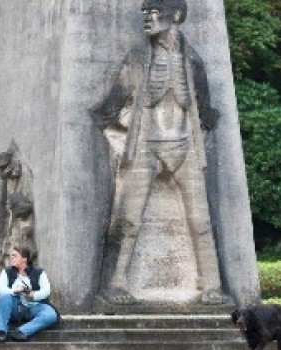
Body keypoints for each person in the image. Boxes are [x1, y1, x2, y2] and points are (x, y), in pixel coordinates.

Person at [94, 0, 224, 306]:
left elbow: (206, 113)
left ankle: (212, 284)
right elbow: (108, 109)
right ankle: (114, 283)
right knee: (128, 220)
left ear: (175, 15)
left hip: (185, 147)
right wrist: (122, 140)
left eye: (153, 12)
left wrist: (198, 140)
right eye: (145, 13)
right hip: (146, 147)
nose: (147, 18)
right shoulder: (137, 56)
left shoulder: (193, 61)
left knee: (201, 220)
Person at [0, 246, 59, 342]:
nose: (11, 258)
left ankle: (22, 332)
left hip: (33, 306)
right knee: (3, 297)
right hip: (15, 308)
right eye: (11, 256)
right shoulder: (6, 272)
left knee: (51, 314)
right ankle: (2, 331)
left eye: (15, 256)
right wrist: (15, 291)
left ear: (24, 259)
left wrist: (33, 295)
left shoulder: (39, 272)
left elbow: (46, 291)